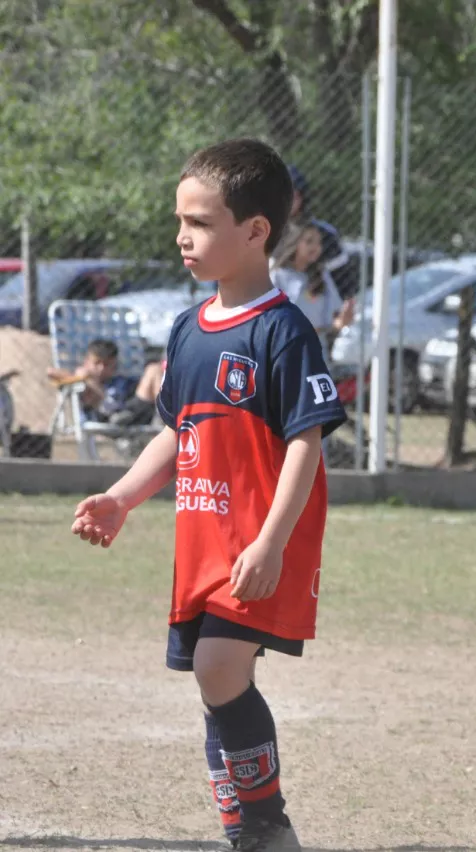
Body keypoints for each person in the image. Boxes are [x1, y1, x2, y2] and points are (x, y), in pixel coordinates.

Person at [70, 138, 347, 852]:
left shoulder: (283, 330)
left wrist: (271, 541)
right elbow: (175, 434)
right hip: (202, 543)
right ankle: (242, 827)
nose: (180, 235)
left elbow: (306, 443)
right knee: (212, 678)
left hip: (255, 544)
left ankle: (265, 827)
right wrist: (123, 497)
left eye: (198, 221)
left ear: (255, 231)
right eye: (179, 219)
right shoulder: (188, 330)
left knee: (218, 668)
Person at [271, 221, 355, 351]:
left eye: (318, 243)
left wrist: (341, 321)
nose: (316, 247)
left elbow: (329, 322)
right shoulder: (277, 276)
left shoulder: (321, 276)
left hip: (314, 352)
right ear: (295, 243)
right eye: (309, 241)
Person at [286, 165, 357, 300]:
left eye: (293, 196)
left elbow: (344, 284)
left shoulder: (323, 234)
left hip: (313, 308)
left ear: (302, 197)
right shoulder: (260, 232)